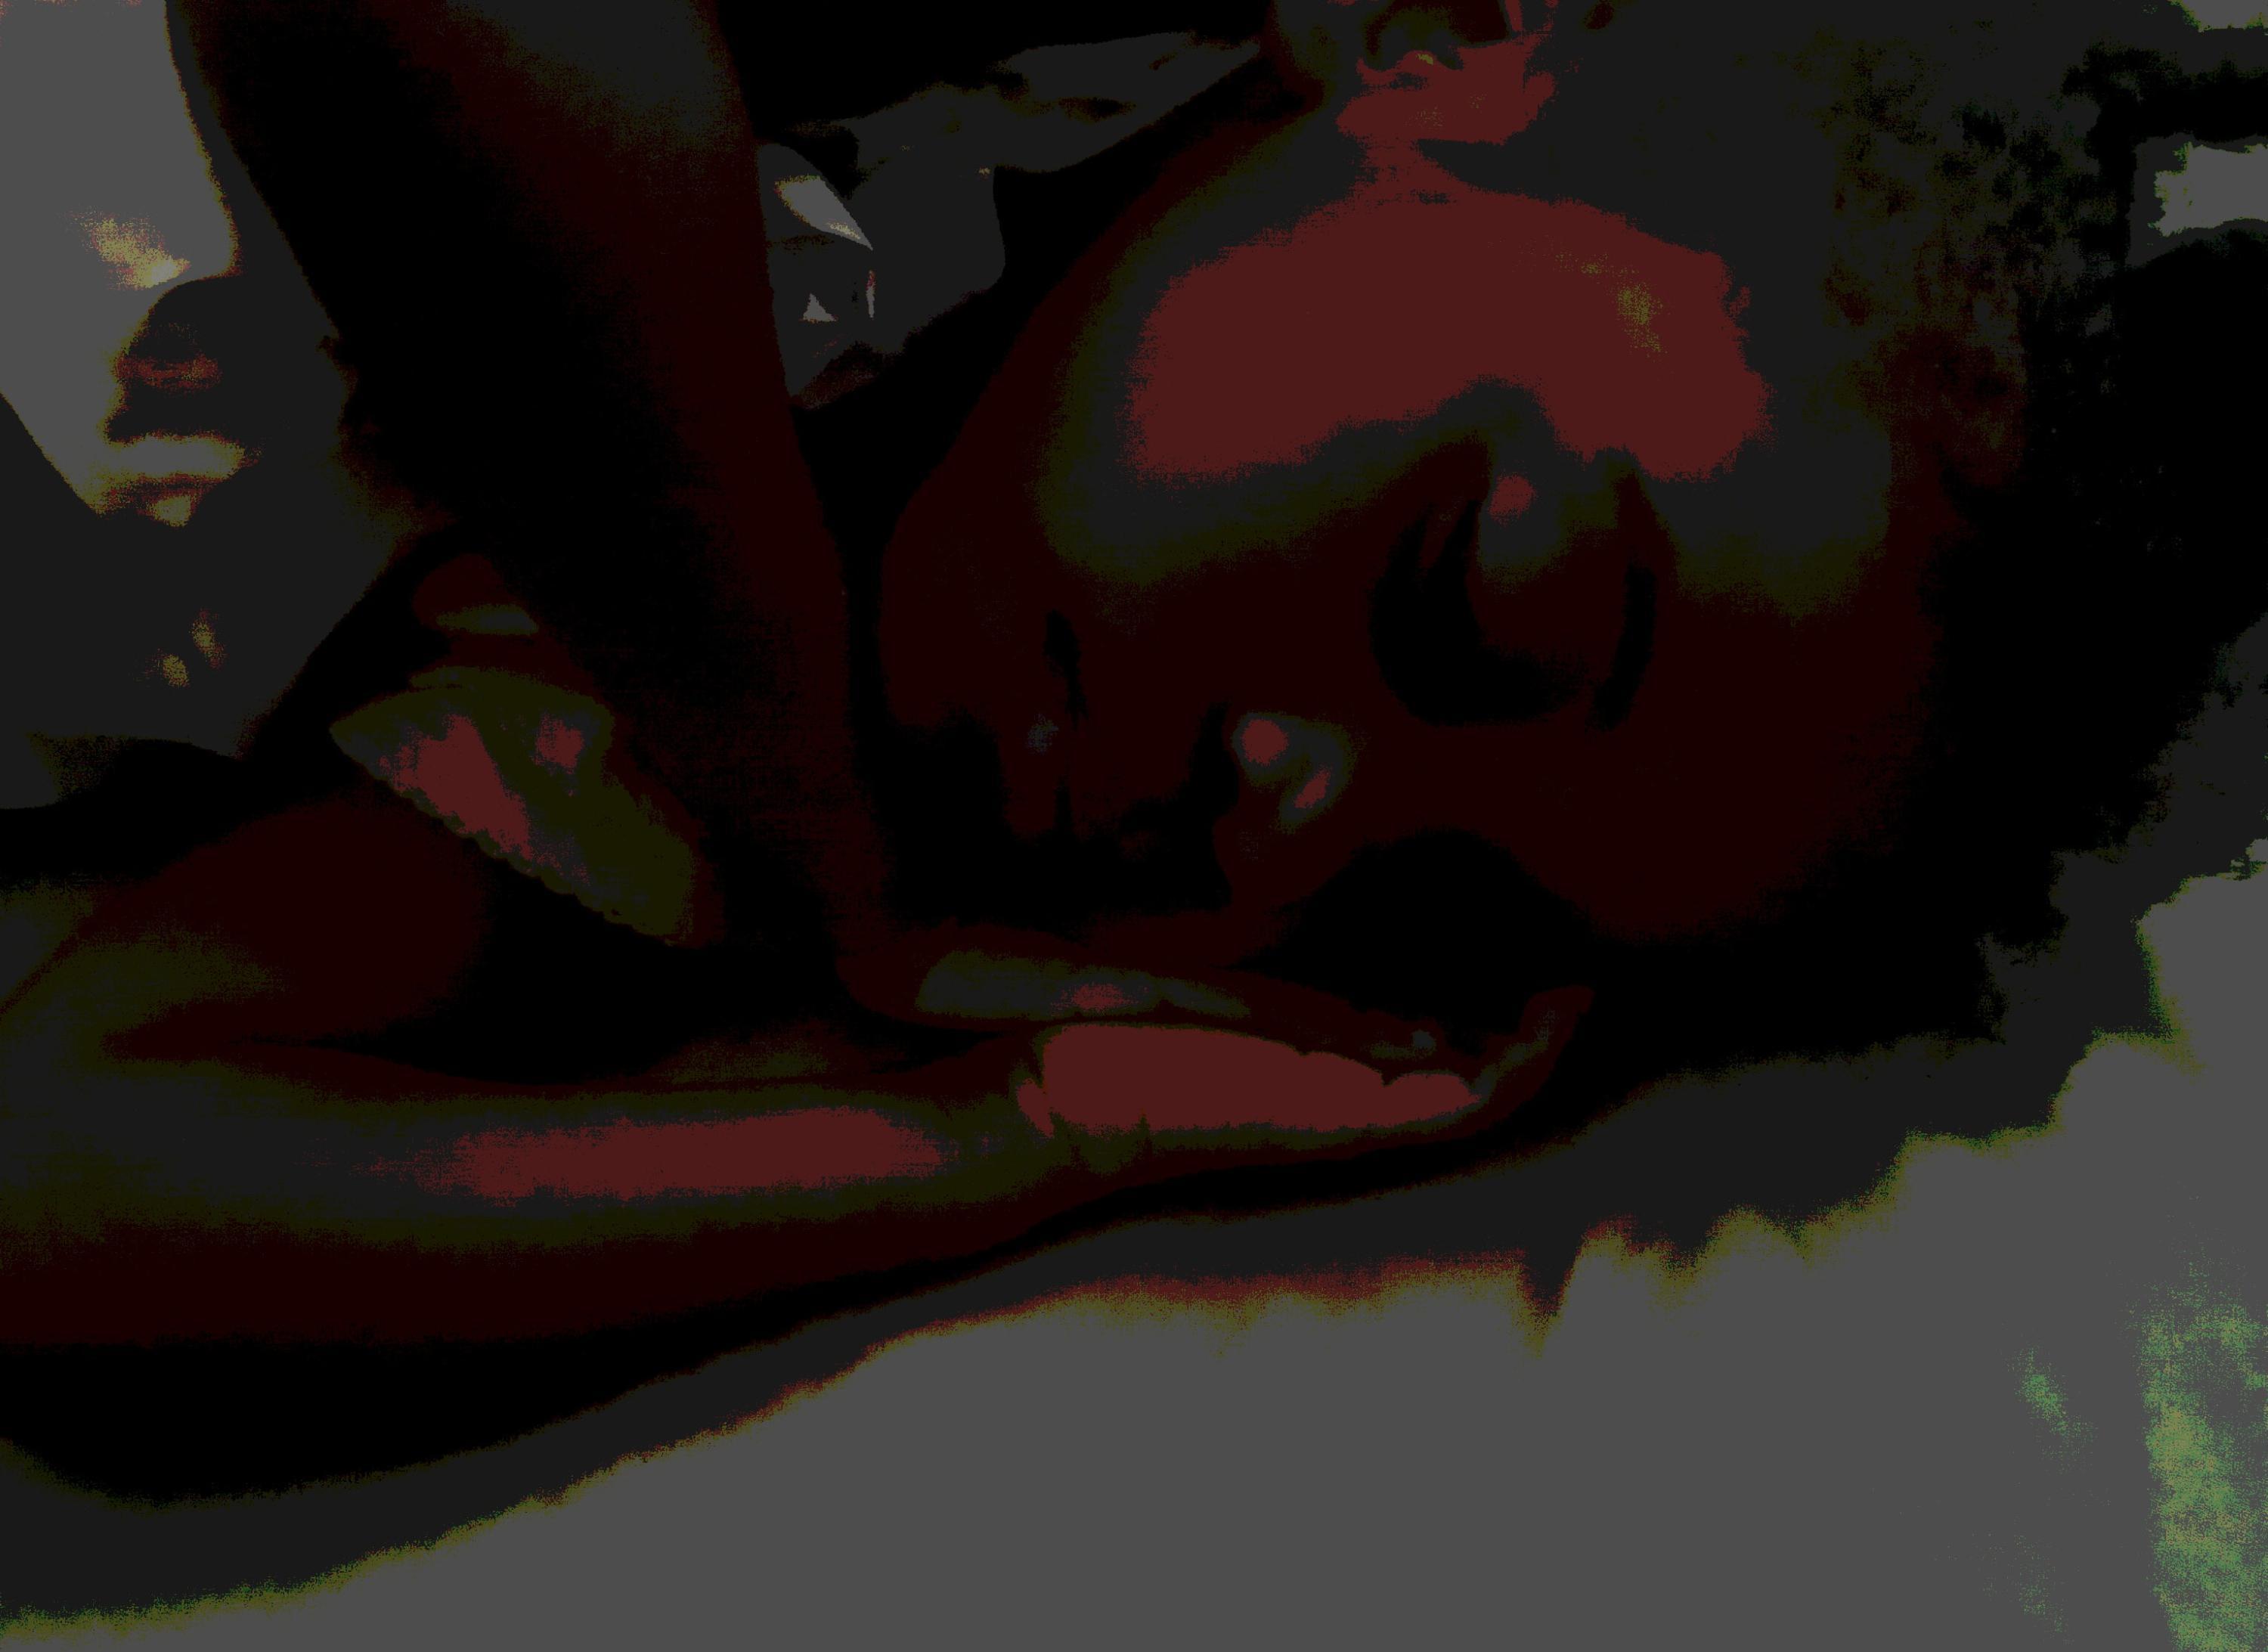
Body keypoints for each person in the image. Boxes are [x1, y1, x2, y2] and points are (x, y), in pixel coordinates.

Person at [2, 0, 2263, 1364]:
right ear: (1451, 52)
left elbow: (73, 1165)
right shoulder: (1096, 53)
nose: (1287, 818)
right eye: (1467, 603)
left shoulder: (726, 738)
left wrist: (989, 1128)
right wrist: (834, 854)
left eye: (1426, 903)